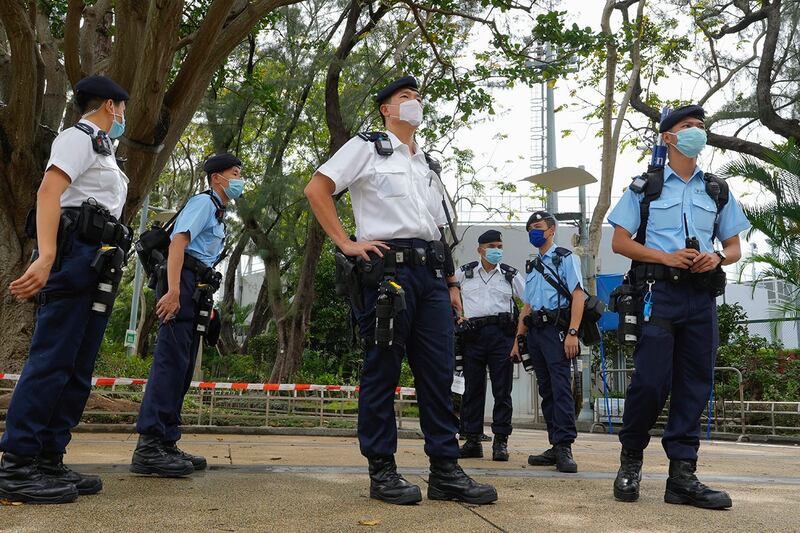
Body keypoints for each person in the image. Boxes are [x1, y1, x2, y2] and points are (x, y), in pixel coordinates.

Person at [304, 75, 497, 506]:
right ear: (385, 109)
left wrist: (451, 283)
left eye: (418, 98)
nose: (415, 103)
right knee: (383, 371)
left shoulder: (427, 163)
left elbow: (438, 232)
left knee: (438, 374)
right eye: (405, 97)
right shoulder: (367, 147)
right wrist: (346, 243)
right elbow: (317, 188)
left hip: (430, 276)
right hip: (387, 274)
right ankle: (382, 471)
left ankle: (445, 470)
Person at [607, 105, 750, 509]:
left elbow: (735, 246)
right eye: (688, 127)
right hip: (658, 294)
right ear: (668, 137)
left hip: (700, 296)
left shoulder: (716, 189)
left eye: (701, 128)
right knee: (650, 381)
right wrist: (665, 257)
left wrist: (718, 258)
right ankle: (630, 460)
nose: (697, 133)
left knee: (695, 385)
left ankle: (682, 476)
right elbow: (620, 242)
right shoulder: (644, 187)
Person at [0, 75, 131, 503]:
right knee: (52, 359)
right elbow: (48, 192)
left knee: (77, 364)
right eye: (123, 108)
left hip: (98, 259)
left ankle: (48, 457)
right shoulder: (78, 138)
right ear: (112, 105)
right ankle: (18, 464)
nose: (124, 116)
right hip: (74, 254)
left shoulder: (104, 149)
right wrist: (47, 254)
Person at [131, 154, 243, 477]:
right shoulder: (204, 203)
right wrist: (174, 290)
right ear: (216, 178)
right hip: (183, 281)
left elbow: (203, 258)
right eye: (234, 173)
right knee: (170, 362)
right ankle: (149, 445)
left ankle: (166, 441)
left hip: (198, 287)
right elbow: (178, 244)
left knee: (182, 366)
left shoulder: (218, 214)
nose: (239, 179)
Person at [511, 211, 583, 474]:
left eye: (538, 226)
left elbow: (578, 295)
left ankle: (565, 446)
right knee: (547, 390)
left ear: (552, 230)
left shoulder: (565, 258)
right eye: (530, 227)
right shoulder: (532, 266)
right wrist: (518, 339)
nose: (534, 231)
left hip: (558, 331)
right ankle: (554, 443)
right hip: (536, 335)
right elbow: (526, 306)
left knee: (561, 388)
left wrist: (573, 332)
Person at [456, 230, 524, 461]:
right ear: (480, 249)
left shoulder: (510, 275)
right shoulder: (464, 274)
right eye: (492, 246)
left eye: (499, 246)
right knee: (472, 390)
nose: (497, 250)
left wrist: (519, 338)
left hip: (501, 336)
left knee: (502, 391)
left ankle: (500, 442)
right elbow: (446, 292)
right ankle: (473, 440)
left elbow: (529, 302)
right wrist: (456, 315)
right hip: (473, 336)